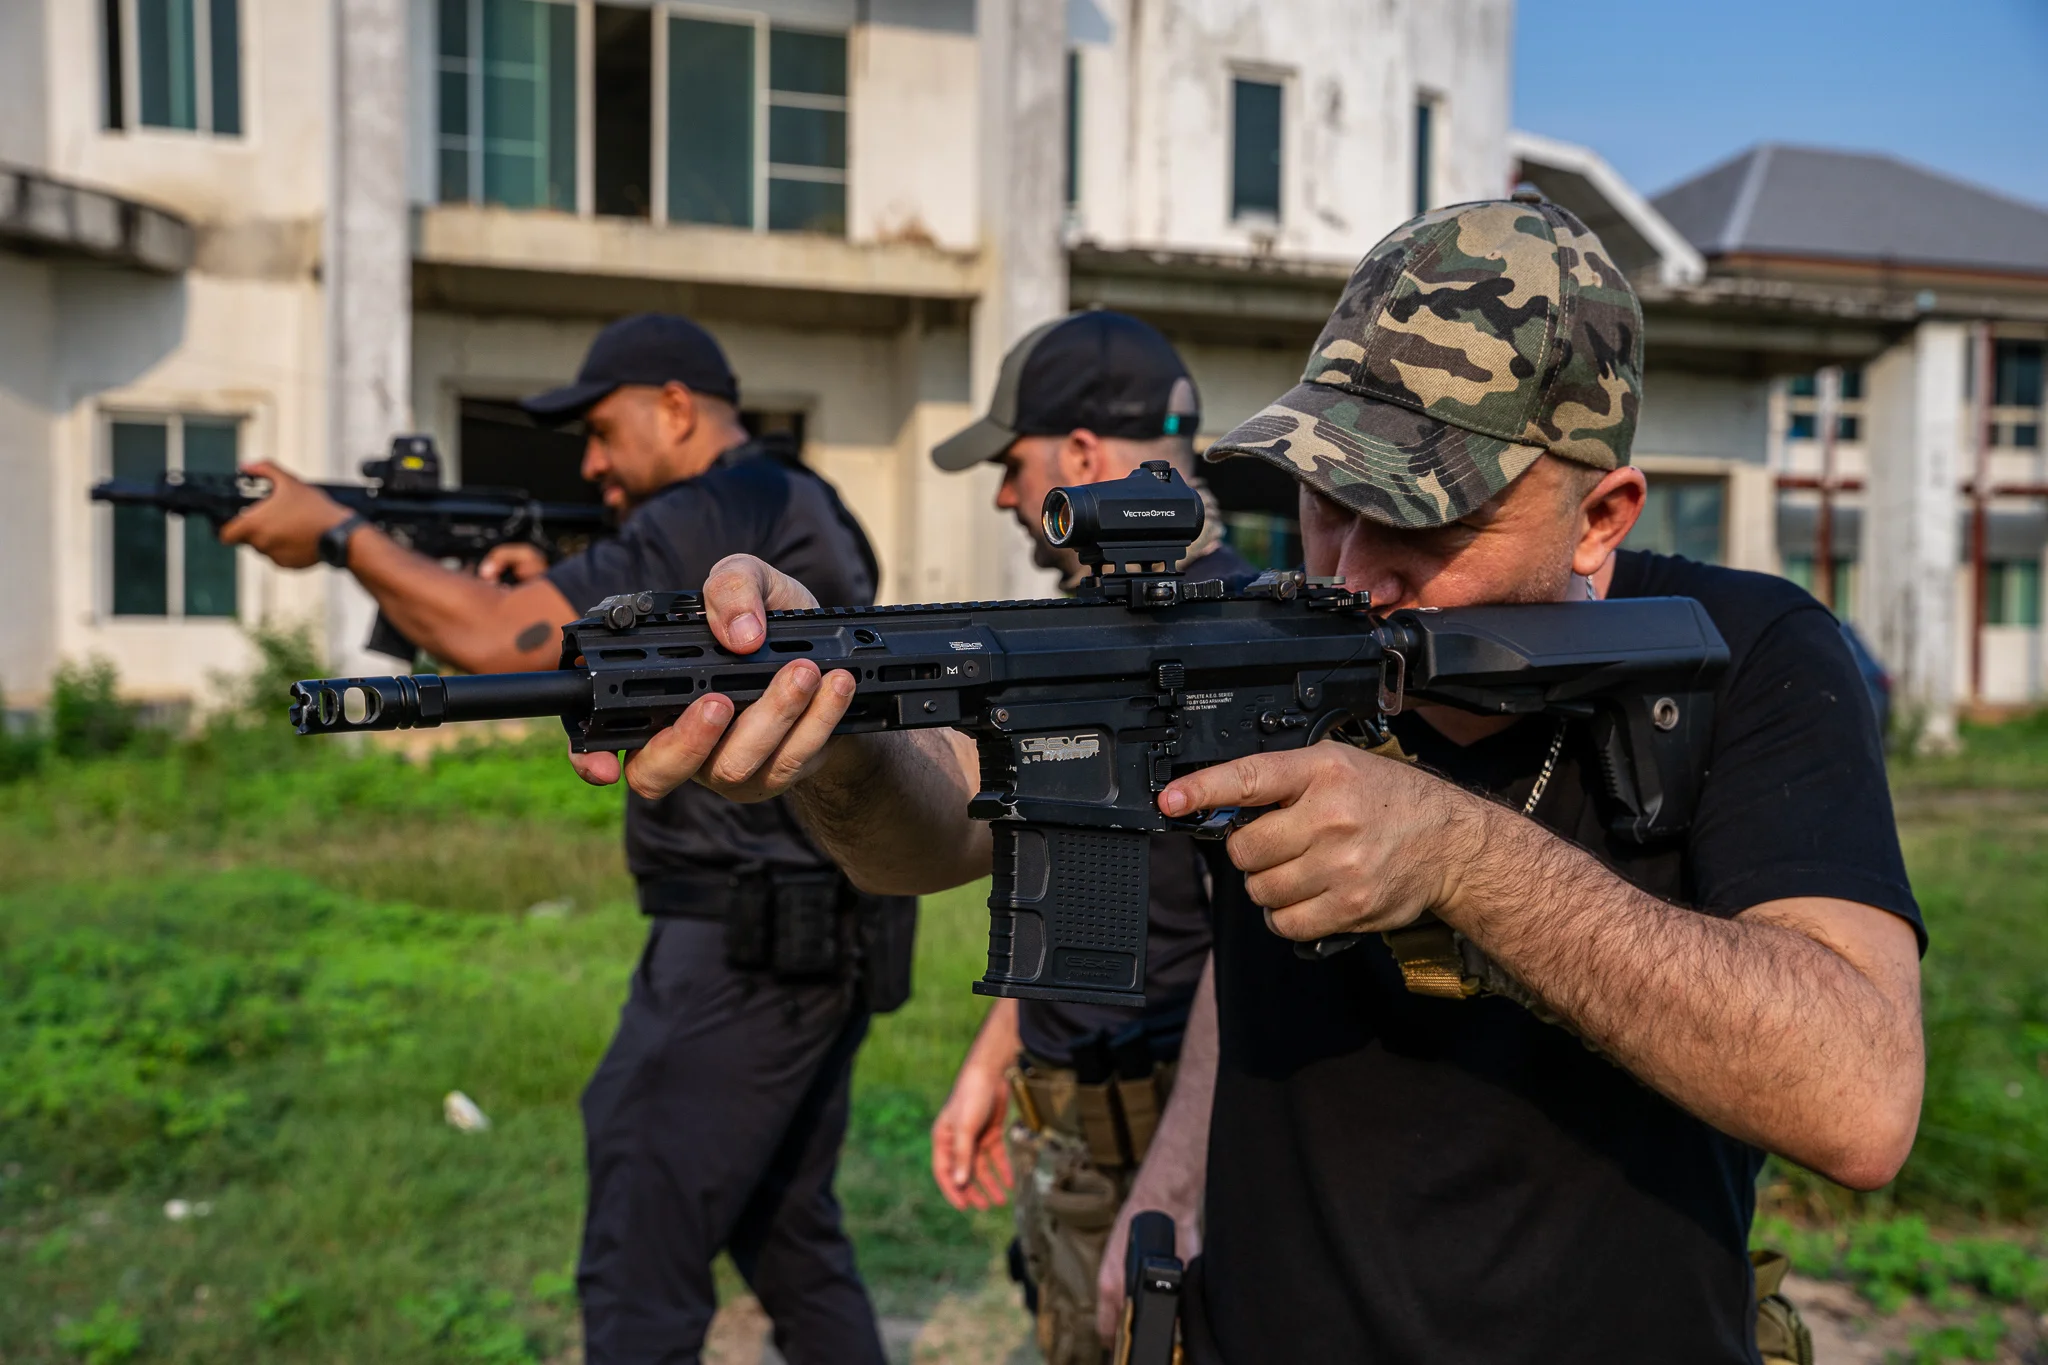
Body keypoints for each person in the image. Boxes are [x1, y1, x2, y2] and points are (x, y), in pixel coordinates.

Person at [565, 200, 1927, 1364]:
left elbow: (1859, 1096)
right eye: (1328, 497)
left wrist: (1460, 860)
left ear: (1605, 514)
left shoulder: (1752, 657)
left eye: (1420, 515)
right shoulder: (1269, 631)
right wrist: (834, 723)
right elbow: (925, 831)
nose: (1348, 568)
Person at [220, 313, 910, 1365]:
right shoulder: (788, 500)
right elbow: (618, 635)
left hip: (745, 950)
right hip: (805, 938)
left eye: (600, 430)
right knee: (786, 1235)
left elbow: (496, 645)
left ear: (676, 409)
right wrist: (549, 578)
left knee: (640, 1259)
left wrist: (339, 535)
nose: (589, 463)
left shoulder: (726, 500)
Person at [922, 311, 1251, 1362]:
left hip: (1155, 1138)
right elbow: (1094, 877)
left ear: (1076, 455)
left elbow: (1255, 948)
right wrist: (995, 1059)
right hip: (1079, 1126)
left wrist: (1169, 1186)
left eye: (1011, 465)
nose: (1004, 496)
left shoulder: (1235, 645)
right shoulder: (1100, 632)